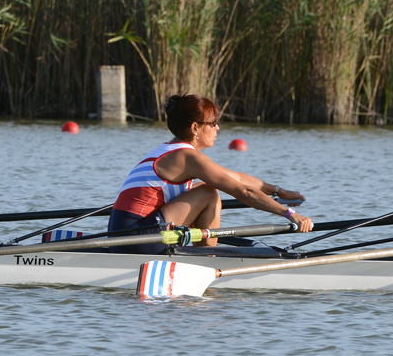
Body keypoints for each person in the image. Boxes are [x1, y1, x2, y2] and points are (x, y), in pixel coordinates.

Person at [107, 94, 313, 253]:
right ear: (195, 127)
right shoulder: (187, 157)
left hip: (124, 235)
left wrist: (278, 190)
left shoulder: (168, 150)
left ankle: (202, 250)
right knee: (209, 193)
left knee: (208, 188)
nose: (218, 128)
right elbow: (244, 192)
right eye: (213, 123)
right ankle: (207, 256)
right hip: (138, 239)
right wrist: (290, 215)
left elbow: (237, 178)